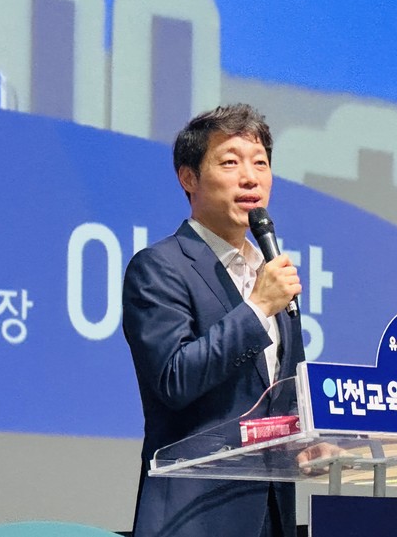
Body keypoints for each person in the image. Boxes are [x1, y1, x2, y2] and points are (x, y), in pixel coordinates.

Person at [122, 103, 305, 537]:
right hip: (195, 518)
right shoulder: (159, 267)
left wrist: (311, 439)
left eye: (260, 163)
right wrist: (257, 308)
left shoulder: (270, 272)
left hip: (272, 516)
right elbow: (174, 379)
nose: (250, 177)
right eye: (230, 162)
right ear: (189, 178)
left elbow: (283, 394)